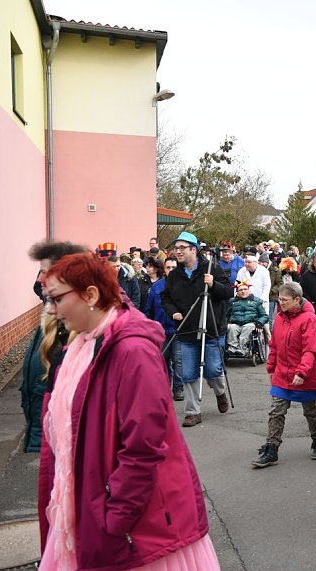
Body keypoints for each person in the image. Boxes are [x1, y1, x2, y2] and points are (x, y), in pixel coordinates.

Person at [38, 252, 219, 570]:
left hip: (137, 529)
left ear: (91, 295)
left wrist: (113, 519)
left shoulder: (132, 351)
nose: (50, 309)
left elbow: (143, 448)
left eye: (56, 299)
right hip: (94, 509)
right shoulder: (83, 345)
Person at [21, 240, 87, 453]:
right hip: (50, 438)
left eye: (45, 272)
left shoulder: (86, 329)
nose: (39, 280)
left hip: (74, 445)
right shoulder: (51, 322)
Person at [252, 282, 316, 468]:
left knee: (310, 410)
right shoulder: (279, 317)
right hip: (282, 373)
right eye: (279, 299)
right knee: (276, 411)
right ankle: (272, 448)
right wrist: (271, 367)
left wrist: (301, 372)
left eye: (285, 300)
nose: (281, 303)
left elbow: (310, 350)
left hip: (304, 374)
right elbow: (275, 345)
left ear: (297, 300)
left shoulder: (310, 320)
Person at [161, 231, 231, 427]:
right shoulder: (174, 275)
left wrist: (214, 284)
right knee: (188, 373)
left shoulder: (212, 268)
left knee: (213, 370)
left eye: (182, 248)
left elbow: (228, 292)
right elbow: (165, 298)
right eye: (175, 248)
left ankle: (220, 392)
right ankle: (193, 411)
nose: (177, 251)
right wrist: (172, 312)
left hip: (211, 329)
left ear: (194, 249)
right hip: (185, 330)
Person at [146, 257, 183, 401]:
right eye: (168, 267)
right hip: (160, 330)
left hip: (178, 330)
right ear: (164, 269)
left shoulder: (183, 286)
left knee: (178, 360)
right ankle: (164, 386)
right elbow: (149, 309)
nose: (171, 270)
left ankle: (178, 387)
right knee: (162, 360)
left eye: (174, 267)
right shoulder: (156, 287)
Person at [225, 281, 270, 356]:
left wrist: (259, 323)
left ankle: (242, 349)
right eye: (241, 290)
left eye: (245, 289)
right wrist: (225, 324)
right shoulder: (232, 301)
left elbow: (264, 316)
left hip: (250, 323)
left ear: (249, 291)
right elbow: (227, 315)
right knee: (231, 327)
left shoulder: (256, 301)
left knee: (248, 327)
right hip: (235, 323)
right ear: (237, 292)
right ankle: (233, 348)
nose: (243, 291)